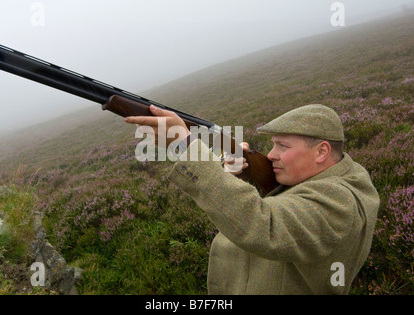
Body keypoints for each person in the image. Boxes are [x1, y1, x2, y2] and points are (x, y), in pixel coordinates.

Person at [124, 104, 380, 294]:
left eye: (283, 146)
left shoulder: (340, 200)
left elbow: (265, 225)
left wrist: (185, 146)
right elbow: (293, 212)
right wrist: (238, 177)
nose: (271, 155)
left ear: (322, 151)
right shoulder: (335, 179)